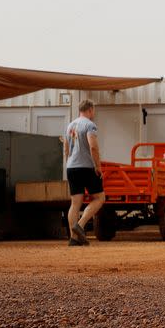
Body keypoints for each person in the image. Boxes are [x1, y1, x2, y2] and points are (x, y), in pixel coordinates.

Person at [63, 99, 105, 246]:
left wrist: (69, 163)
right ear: (90, 110)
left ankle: (74, 239)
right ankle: (79, 226)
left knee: (75, 203)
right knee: (100, 198)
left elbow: (66, 149)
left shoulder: (70, 126)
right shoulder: (89, 125)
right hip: (86, 167)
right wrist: (98, 166)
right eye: (93, 110)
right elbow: (93, 147)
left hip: (71, 167)